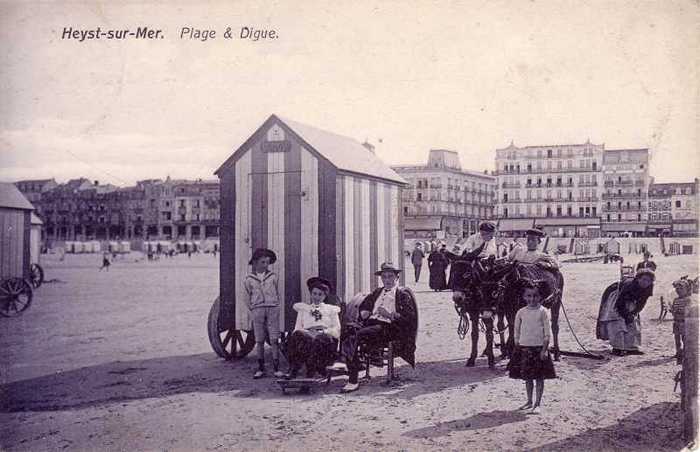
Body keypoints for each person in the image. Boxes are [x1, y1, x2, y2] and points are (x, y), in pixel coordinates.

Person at [338, 262, 418, 393]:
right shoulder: (377, 292)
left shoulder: (401, 295)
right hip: (371, 324)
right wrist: (364, 312)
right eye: (384, 277)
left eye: (390, 277)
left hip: (389, 328)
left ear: (396, 278)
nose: (387, 280)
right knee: (347, 331)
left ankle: (353, 379)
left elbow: (409, 319)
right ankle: (353, 364)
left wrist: (391, 315)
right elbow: (365, 305)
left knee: (357, 335)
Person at [507, 279, 556, 415]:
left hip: (539, 349)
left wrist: (545, 350)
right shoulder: (521, 312)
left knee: (539, 377)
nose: (532, 299)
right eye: (529, 295)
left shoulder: (543, 312)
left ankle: (537, 403)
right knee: (528, 378)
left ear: (540, 297)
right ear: (524, 297)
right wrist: (517, 343)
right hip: (525, 348)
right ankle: (529, 401)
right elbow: (516, 330)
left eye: (535, 296)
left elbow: (547, 332)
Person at [286, 277, 341, 379]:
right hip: (308, 335)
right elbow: (297, 328)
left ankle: (310, 374)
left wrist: (323, 331)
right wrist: (308, 333)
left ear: (325, 296)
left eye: (320, 294)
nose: (317, 297)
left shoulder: (331, 310)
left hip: (325, 338)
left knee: (318, 339)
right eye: (314, 294)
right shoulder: (304, 309)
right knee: (298, 335)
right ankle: (294, 369)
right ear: (311, 294)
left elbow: (337, 330)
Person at [244, 248, 284, 379]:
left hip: (272, 309)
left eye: (267, 262)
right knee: (259, 339)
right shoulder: (249, 279)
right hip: (258, 310)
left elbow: (278, 292)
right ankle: (261, 368)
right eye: (262, 262)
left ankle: (276, 368)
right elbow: (246, 296)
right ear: (255, 262)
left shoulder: (273, 277)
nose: (265, 265)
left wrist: (276, 304)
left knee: (274, 339)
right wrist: (253, 308)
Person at [596, 268, 655, 356]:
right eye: (644, 279)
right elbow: (620, 303)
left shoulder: (649, 287)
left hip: (631, 300)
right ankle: (617, 348)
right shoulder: (629, 285)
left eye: (649, 281)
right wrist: (626, 315)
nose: (646, 282)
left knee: (633, 322)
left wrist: (634, 313)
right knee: (616, 322)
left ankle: (631, 347)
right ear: (638, 278)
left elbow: (642, 302)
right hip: (616, 296)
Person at [671, 278, 693, 364]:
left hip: (684, 322)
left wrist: (681, 312)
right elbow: (673, 308)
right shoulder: (675, 300)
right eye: (677, 289)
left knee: (684, 338)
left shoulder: (688, 300)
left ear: (687, 289)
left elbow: (689, 311)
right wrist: (673, 310)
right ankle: (678, 352)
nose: (679, 291)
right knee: (676, 338)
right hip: (676, 322)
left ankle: (685, 351)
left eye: (681, 289)